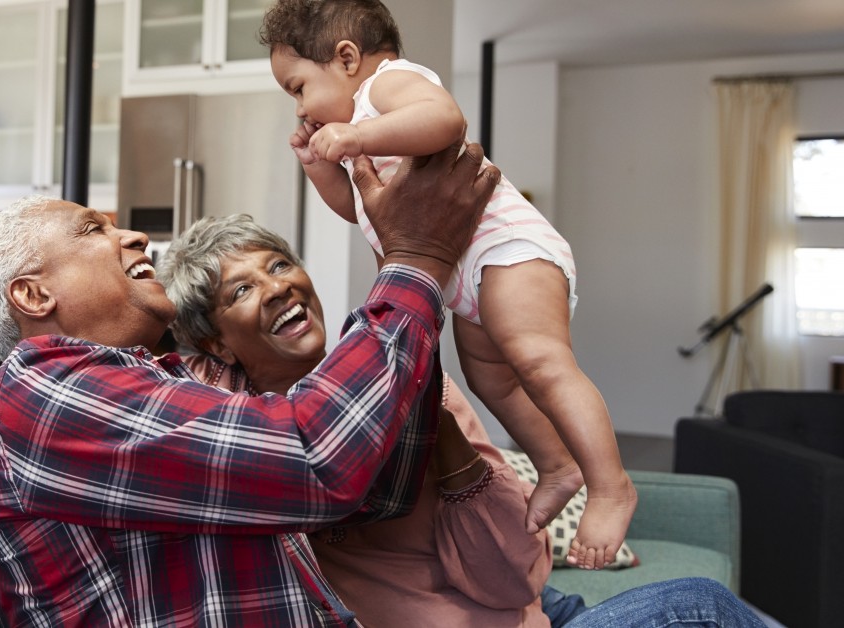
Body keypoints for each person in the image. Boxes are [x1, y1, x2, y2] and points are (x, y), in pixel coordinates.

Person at [0, 141, 499, 626]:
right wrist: (416, 263)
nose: (136, 236)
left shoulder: (152, 382)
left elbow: (376, 491)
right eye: (94, 229)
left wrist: (400, 253)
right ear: (33, 296)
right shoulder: (41, 395)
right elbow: (314, 459)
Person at [158, 213, 767, 628]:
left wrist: (442, 433)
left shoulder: (403, 377)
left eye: (278, 265)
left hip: (528, 602)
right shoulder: (237, 428)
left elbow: (515, 580)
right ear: (216, 346)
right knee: (699, 605)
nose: (275, 288)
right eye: (239, 292)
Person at [260, 0, 636, 570]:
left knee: (540, 360)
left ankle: (610, 489)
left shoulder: (388, 86)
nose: (299, 105)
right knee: (494, 381)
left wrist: (356, 135)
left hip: (503, 248)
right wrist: (318, 166)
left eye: (298, 86)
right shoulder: (362, 121)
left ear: (346, 58)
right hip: (462, 272)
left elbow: (445, 120)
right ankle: (557, 464)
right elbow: (355, 207)